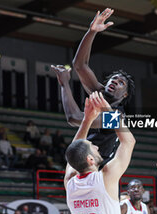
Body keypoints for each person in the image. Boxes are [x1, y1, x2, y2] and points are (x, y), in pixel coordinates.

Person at [51, 8, 135, 166]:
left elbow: (74, 118)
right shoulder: (101, 94)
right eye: (113, 79)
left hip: (98, 169)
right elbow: (80, 66)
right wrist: (91, 32)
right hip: (83, 163)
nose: (115, 81)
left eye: (121, 83)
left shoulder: (117, 116)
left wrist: (64, 84)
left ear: (124, 95)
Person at [64, 91, 135, 214]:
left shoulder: (70, 183)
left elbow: (74, 151)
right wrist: (108, 110)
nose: (97, 147)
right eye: (93, 148)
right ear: (90, 159)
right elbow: (128, 142)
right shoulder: (105, 177)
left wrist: (87, 120)